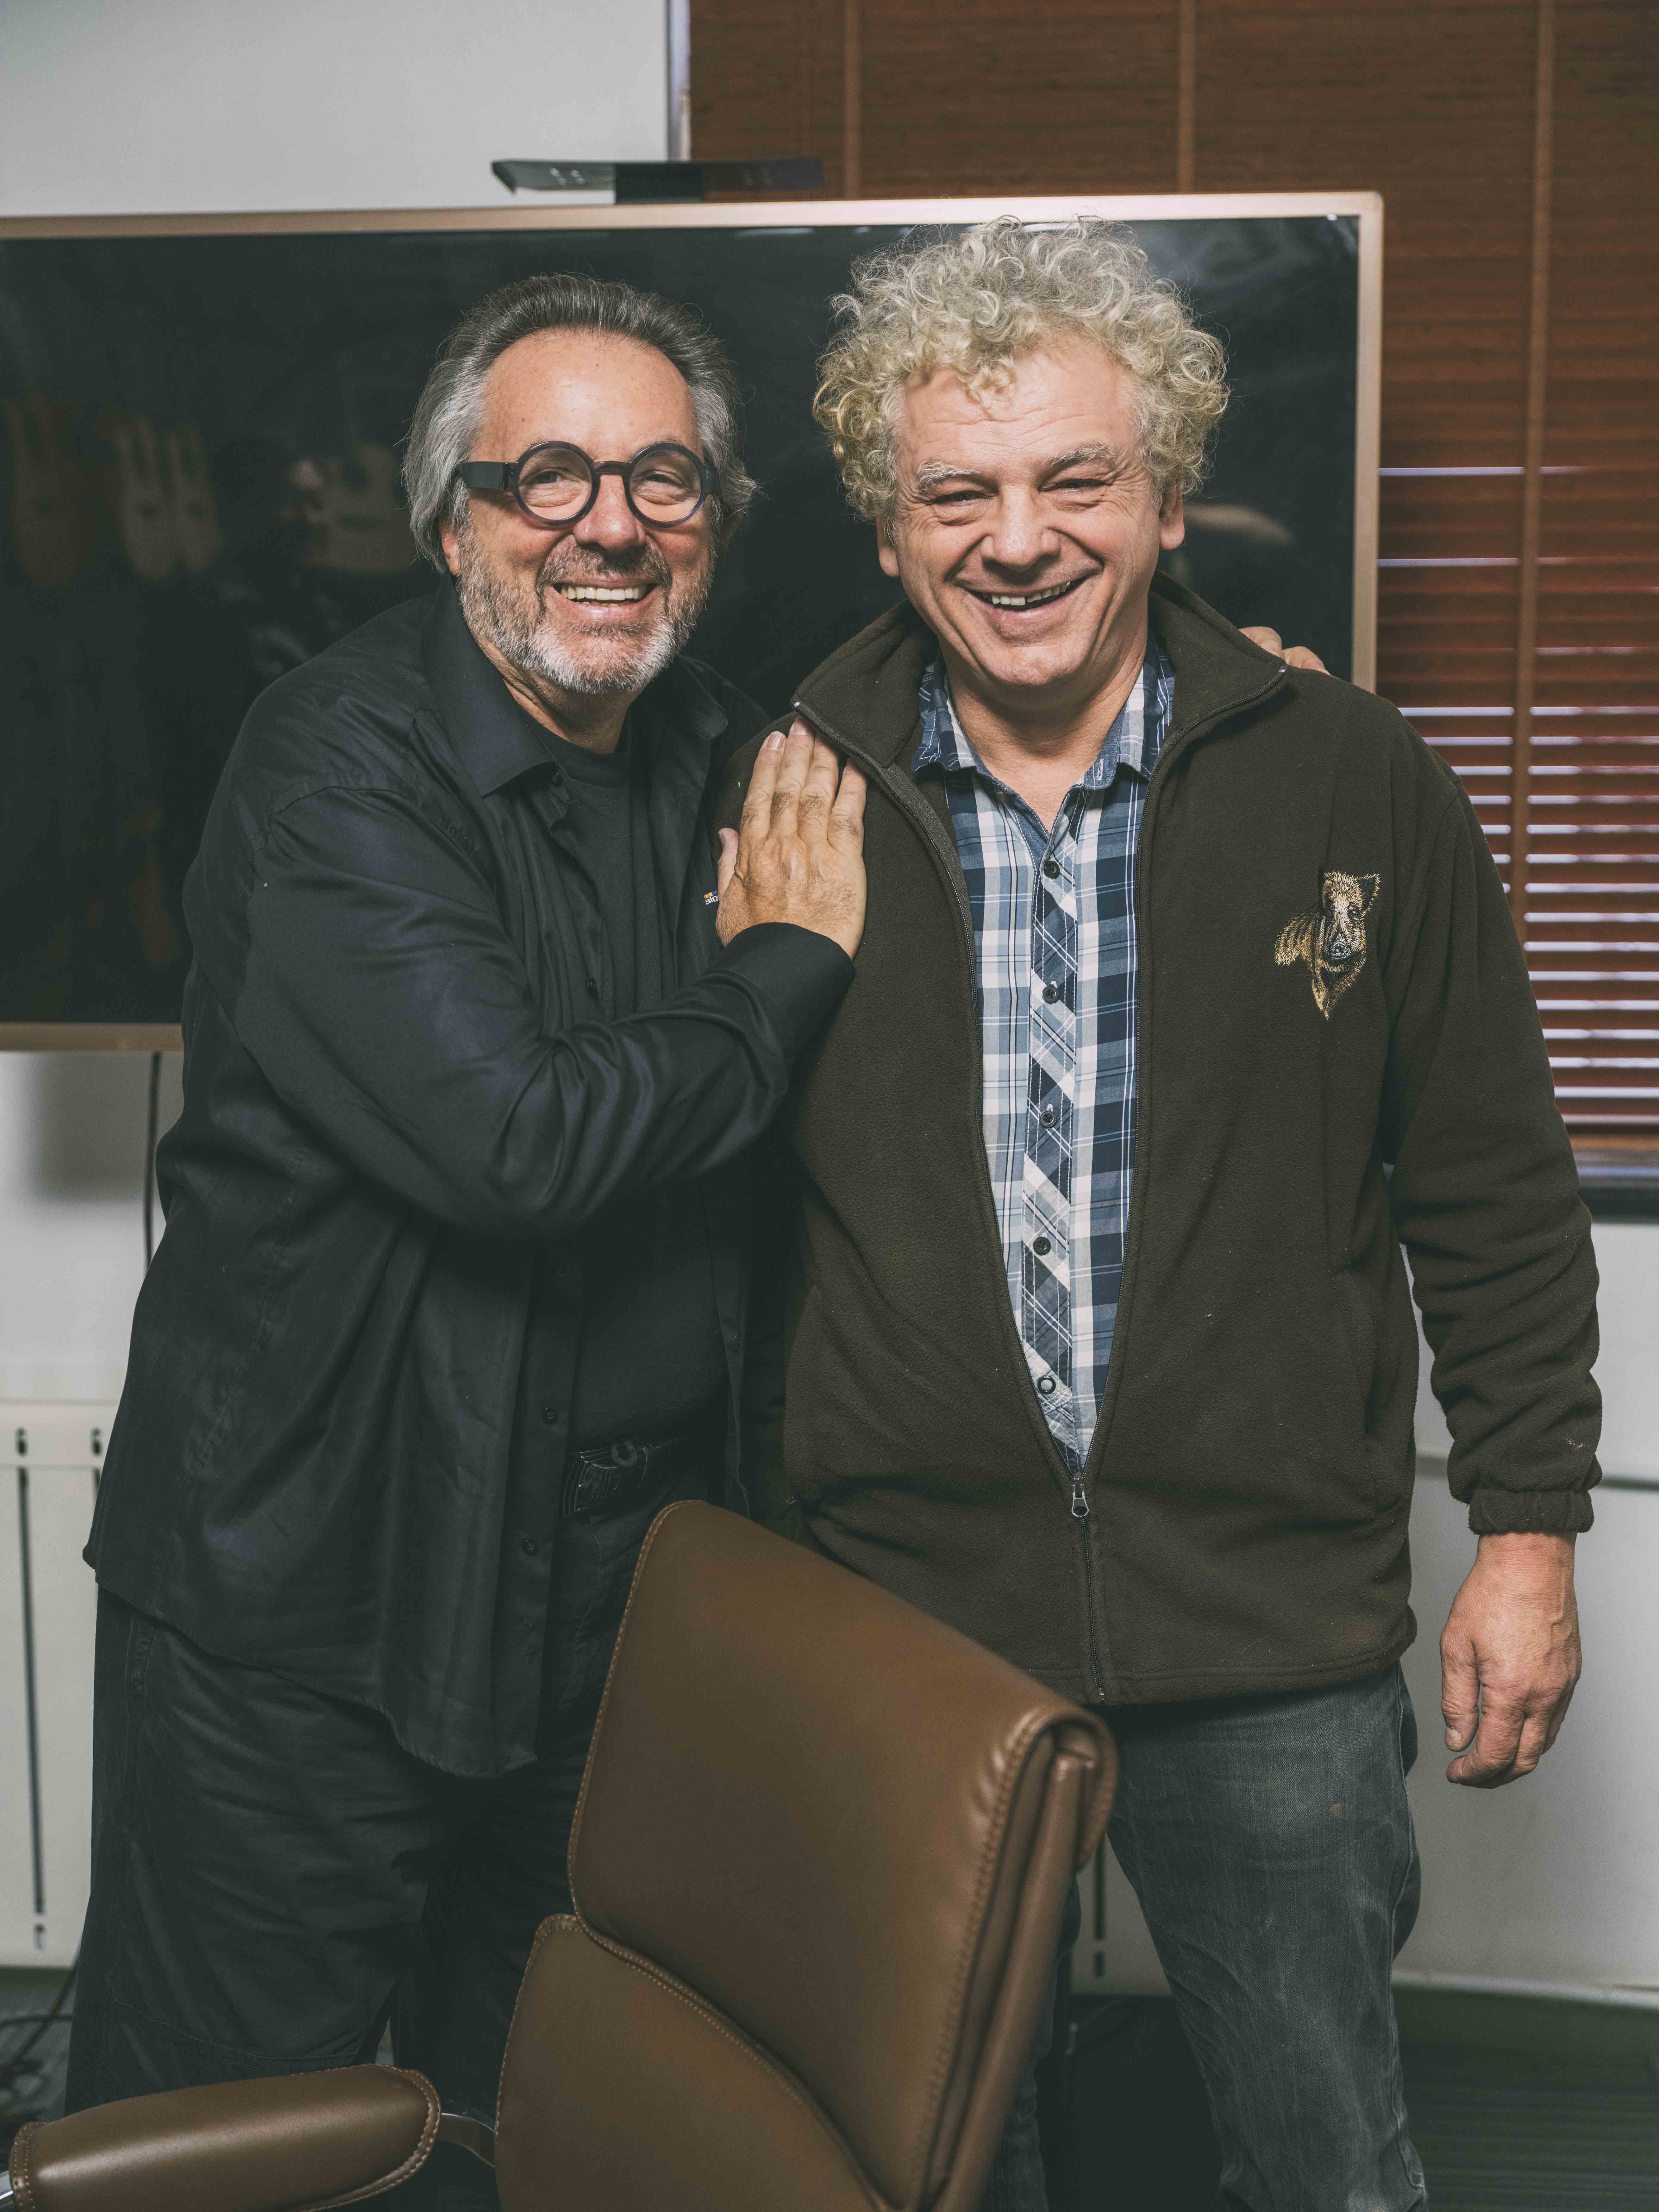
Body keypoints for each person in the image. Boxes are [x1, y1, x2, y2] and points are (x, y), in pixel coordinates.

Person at [721, 217, 1599, 2212]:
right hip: (902, 1622)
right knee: (929, 2162)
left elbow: (1490, 1180)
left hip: (1268, 1634)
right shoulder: (781, 781)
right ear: (886, 527)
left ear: (1171, 502)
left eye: (1073, 481)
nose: (1015, 539)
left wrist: (1529, 1530)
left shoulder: (1358, 782)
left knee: (1323, 2161)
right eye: (957, 491)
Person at [63, 272, 869, 2202]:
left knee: (535, 2110)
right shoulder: (332, 768)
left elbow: (955, 733)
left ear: (719, 522)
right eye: (551, 477)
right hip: (314, 1611)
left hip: (607, 1613)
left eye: (664, 478)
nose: (612, 521)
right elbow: (514, 1140)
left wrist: (1205, 679)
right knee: (213, 2135)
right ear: (453, 524)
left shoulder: (728, 751)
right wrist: (776, 976)